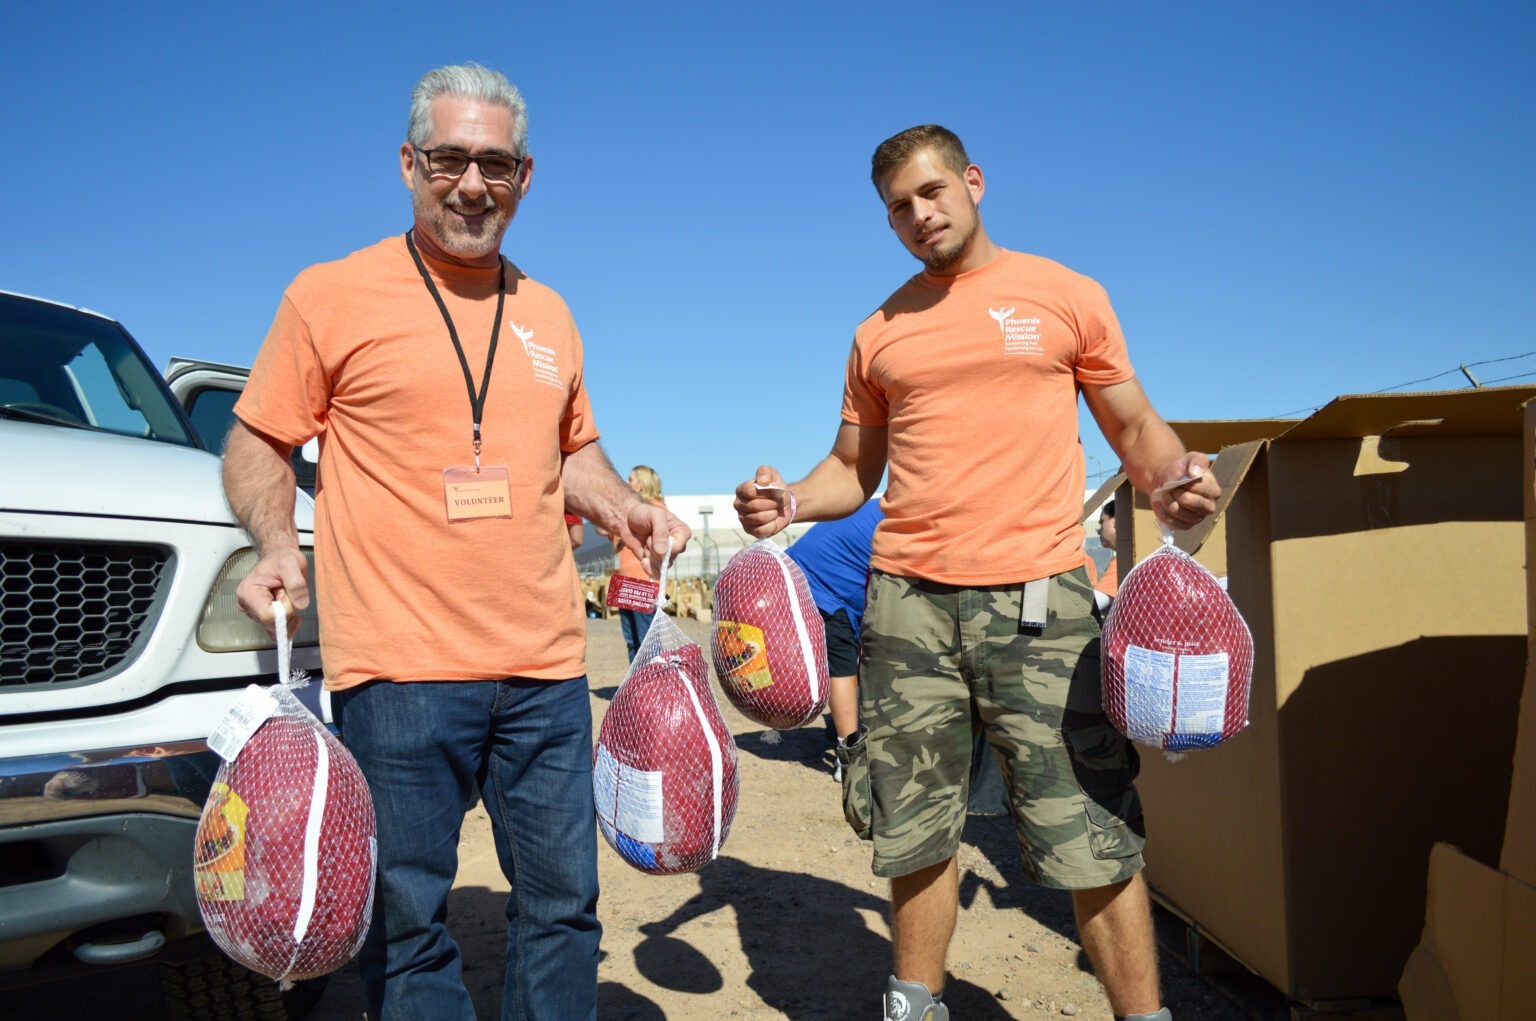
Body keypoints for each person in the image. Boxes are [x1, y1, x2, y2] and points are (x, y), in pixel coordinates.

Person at [221, 63, 689, 1021]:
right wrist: (275, 541)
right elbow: (258, 438)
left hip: (546, 668)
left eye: (496, 164)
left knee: (565, 906)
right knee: (406, 921)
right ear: (408, 163)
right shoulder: (330, 295)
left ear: (525, 176)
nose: (472, 183)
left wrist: (623, 512)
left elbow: (580, 454)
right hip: (396, 672)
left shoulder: (551, 314)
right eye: (449, 159)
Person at [733, 124, 1219, 1021]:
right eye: (897, 209)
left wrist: (1173, 478)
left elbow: (1135, 425)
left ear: (974, 182)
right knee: (913, 826)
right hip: (908, 609)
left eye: (931, 193)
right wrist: (790, 500)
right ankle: (915, 1004)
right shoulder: (879, 331)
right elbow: (852, 469)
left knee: (1088, 825)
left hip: (1042, 601)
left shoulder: (1066, 295)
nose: (919, 216)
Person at [784, 497, 884, 778]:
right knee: (842, 669)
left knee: (847, 663)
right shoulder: (901, 518)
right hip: (823, 587)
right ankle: (848, 754)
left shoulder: (879, 506)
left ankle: (849, 735)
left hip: (802, 573)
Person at [600, 465, 668, 661]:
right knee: (631, 641)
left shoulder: (655, 509)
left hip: (642, 582)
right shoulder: (628, 511)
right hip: (622, 583)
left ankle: (653, 686)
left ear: (643, 484)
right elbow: (604, 529)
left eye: (631, 479)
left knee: (647, 641)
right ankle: (637, 686)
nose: (627, 483)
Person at [1096, 498, 1120, 599]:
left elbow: (1097, 602)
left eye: (1102, 522)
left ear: (1116, 520)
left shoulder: (1122, 561)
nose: (1099, 531)